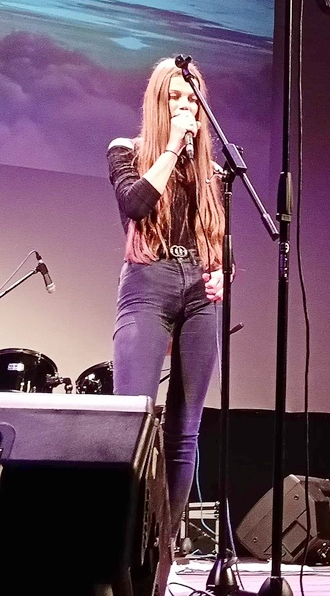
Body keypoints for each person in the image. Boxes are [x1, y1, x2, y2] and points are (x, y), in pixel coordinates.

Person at [107, 57, 227, 539]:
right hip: (148, 283)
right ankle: (123, 547)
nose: (184, 106)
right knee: (132, 421)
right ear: (157, 102)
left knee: (185, 429)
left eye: (191, 98)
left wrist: (224, 273)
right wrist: (174, 147)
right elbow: (135, 204)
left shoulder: (212, 172)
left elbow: (221, 241)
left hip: (200, 292)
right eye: (174, 97)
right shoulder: (127, 150)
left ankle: (164, 552)